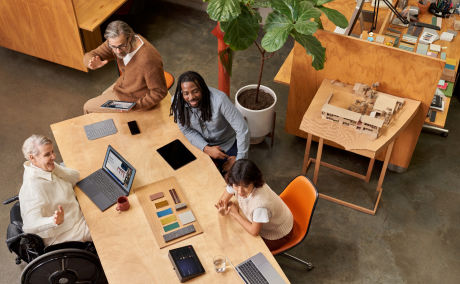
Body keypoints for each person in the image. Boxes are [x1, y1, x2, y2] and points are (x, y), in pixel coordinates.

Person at [19, 135, 92, 247]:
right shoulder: (32, 187)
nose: (53, 156)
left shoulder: (41, 166)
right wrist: (53, 221)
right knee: (108, 227)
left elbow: (74, 177)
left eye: (52, 151)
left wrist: (54, 167)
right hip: (65, 231)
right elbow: (29, 225)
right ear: (32, 158)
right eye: (47, 154)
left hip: (74, 212)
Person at [170, 71, 250, 173]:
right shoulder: (177, 102)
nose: (191, 97)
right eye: (186, 93)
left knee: (236, 177)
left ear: (202, 88)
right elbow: (186, 130)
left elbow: (242, 130)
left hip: (226, 144)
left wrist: (239, 160)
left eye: (195, 91)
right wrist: (206, 149)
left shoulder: (220, 100)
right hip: (201, 144)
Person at [82, 20, 167, 114]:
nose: (117, 51)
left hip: (134, 99)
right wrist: (91, 63)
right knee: (104, 95)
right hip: (123, 86)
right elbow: (90, 54)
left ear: (130, 37)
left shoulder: (148, 60)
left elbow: (160, 92)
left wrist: (135, 106)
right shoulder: (115, 42)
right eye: (113, 47)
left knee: (88, 107)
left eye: (121, 46)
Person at [215, 160, 293, 251]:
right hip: (263, 222)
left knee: (242, 248)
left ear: (254, 181)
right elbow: (223, 201)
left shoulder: (260, 205)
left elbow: (254, 231)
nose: (240, 191)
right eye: (236, 185)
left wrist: (235, 214)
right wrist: (222, 208)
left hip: (277, 234)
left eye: (245, 186)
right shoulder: (237, 181)